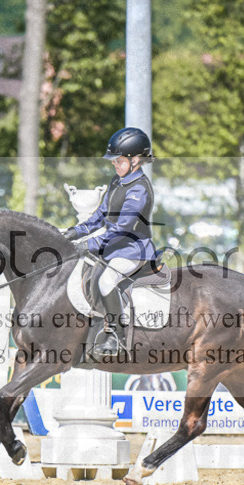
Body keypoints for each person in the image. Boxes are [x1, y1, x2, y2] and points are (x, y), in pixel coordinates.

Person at [63, 127, 158, 357]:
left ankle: (116, 334)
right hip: (115, 246)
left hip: (133, 250)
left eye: (118, 160)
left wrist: (88, 245)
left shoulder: (139, 189)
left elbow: (120, 229)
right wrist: (73, 233)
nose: (114, 164)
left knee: (106, 281)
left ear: (135, 160)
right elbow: (99, 216)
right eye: (113, 160)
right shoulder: (118, 181)